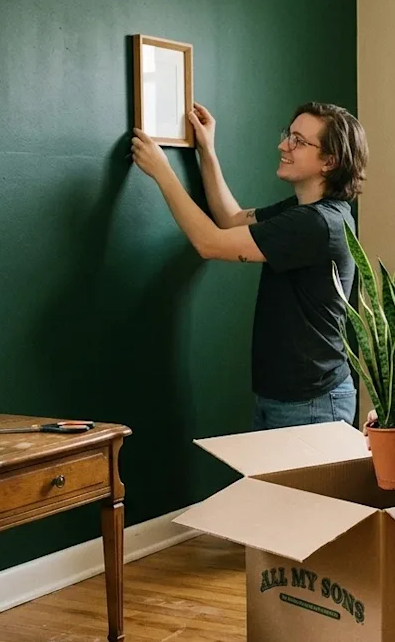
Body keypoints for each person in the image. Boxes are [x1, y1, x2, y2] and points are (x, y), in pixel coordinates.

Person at [130, 101, 368, 430]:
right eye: (288, 135)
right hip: (287, 398)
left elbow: (209, 243)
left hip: (310, 405)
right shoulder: (307, 211)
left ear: (330, 161)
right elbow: (230, 220)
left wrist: (162, 172)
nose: (283, 145)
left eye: (299, 141)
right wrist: (207, 151)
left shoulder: (315, 223)